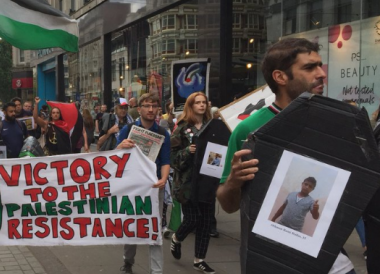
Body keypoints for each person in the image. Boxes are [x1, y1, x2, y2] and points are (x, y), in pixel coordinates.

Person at [215, 38, 355, 273]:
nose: (321, 74)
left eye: (320, 65)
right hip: (272, 259)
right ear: (280, 77)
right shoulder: (248, 130)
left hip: (330, 258)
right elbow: (228, 205)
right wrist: (233, 181)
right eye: (310, 68)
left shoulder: (335, 122)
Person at [114, 93, 171, 274]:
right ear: (139, 109)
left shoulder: (162, 133)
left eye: (154, 106)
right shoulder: (128, 129)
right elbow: (115, 157)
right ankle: (128, 262)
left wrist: (163, 179)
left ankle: (156, 271)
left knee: (154, 228)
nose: (151, 109)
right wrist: (120, 146)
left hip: (154, 187)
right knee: (131, 225)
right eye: (147, 106)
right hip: (132, 186)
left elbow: (165, 160)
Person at [169, 91, 215, 273]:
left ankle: (199, 260)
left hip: (207, 181)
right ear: (191, 105)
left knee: (205, 223)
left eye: (204, 102)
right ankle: (176, 238)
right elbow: (172, 158)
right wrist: (188, 151)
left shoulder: (212, 126)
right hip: (187, 183)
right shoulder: (182, 127)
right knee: (193, 218)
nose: (202, 105)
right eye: (198, 103)